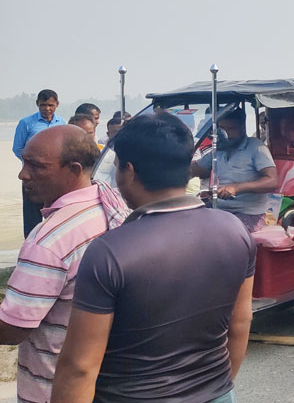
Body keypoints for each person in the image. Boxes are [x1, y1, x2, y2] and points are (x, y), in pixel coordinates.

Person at [52, 114, 255, 403]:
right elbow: (239, 324)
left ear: (129, 171)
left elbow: (80, 368)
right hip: (217, 394)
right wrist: (214, 388)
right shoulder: (235, 230)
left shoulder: (110, 252)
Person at [1, 126, 129, 402]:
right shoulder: (110, 202)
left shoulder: (50, 239)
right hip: (108, 377)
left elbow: (13, 328)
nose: (23, 174)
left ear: (73, 169)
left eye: (36, 166)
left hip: (55, 387)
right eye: (24, 162)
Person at [191, 108, 279, 232]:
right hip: (219, 210)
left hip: (249, 214)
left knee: (216, 233)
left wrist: (237, 188)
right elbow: (197, 170)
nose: (226, 134)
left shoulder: (256, 147)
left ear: (242, 128)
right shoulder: (219, 149)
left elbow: (272, 181)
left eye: (231, 129)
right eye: (222, 129)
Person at [14, 89, 66, 237]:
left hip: (55, 177)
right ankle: (30, 248)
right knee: (32, 216)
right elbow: (18, 148)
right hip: (32, 176)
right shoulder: (26, 123)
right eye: (43, 105)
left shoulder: (61, 123)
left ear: (57, 104)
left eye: (50, 105)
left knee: (56, 212)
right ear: (37, 104)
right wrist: (35, 164)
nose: (47, 108)